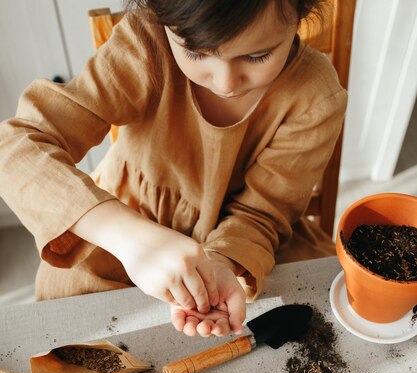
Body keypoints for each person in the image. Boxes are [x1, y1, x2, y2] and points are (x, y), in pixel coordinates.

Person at [0, 0, 347, 337]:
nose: (226, 83)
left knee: (324, 311)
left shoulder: (315, 96)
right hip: (117, 234)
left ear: (302, 9)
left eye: (257, 56)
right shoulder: (146, 44)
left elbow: (262, 215)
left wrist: (219, 264)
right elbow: (14, 146)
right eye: (196, 52)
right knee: (66, 329)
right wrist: (130, 239)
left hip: (241, 242)